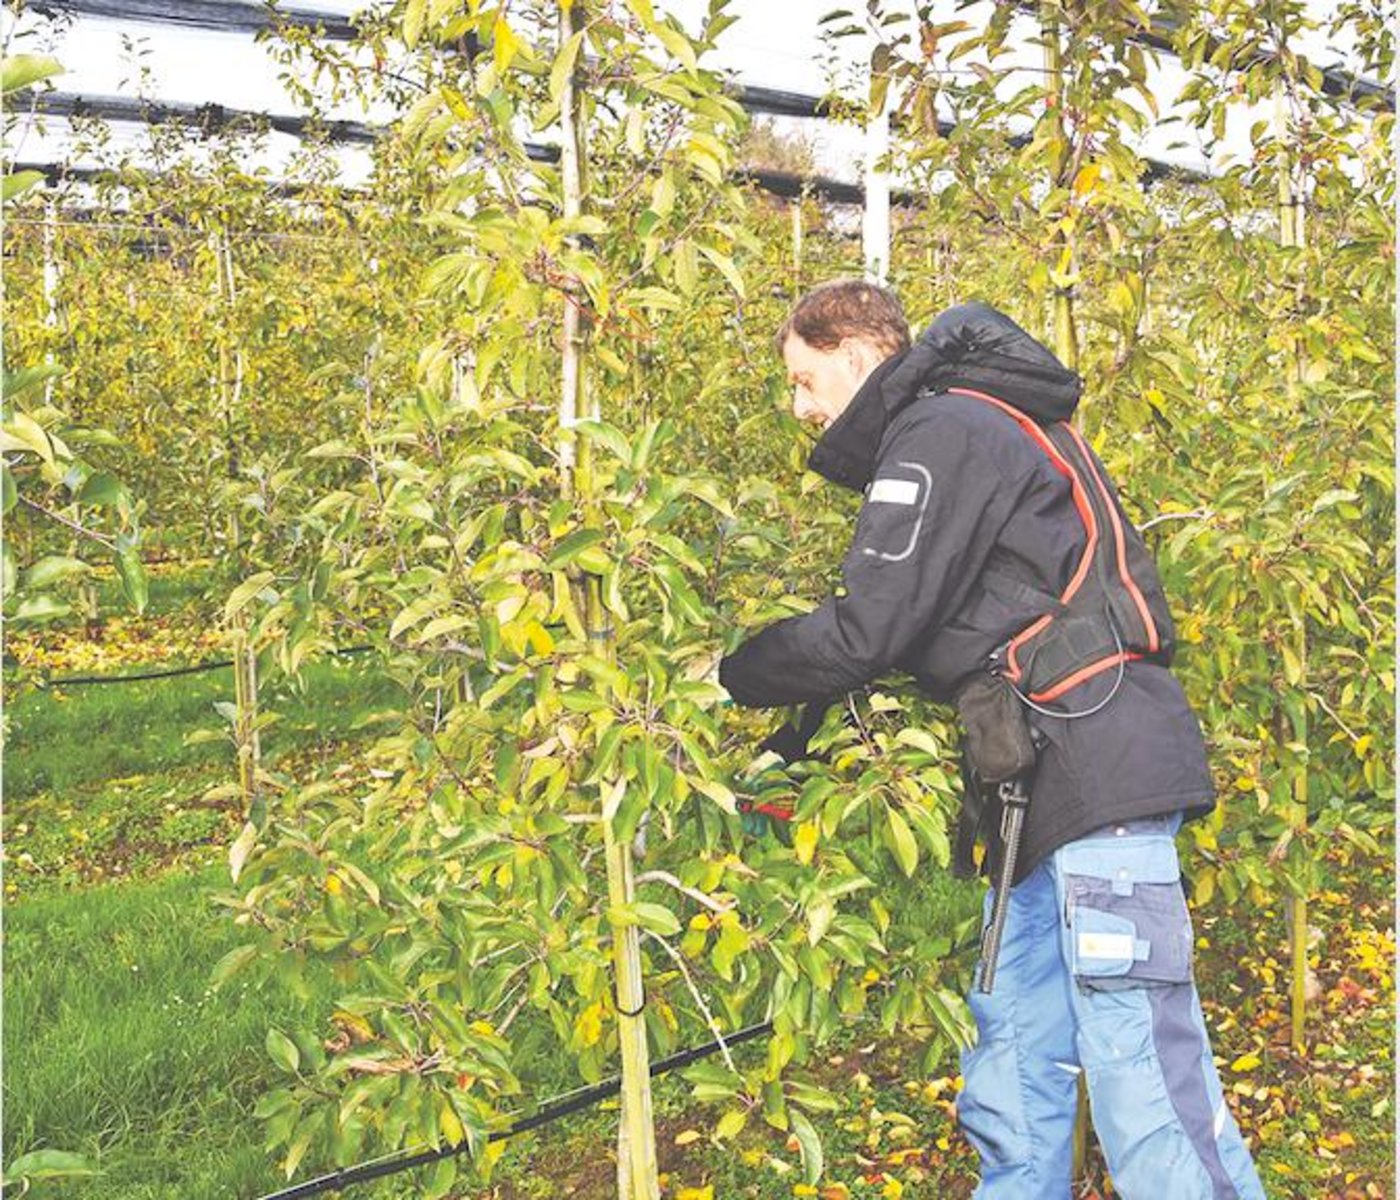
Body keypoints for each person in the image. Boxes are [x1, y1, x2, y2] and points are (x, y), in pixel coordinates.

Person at [717, 280, 1266, 1200]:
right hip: (1033, 787)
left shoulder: (945, 433)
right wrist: (789, 741)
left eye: (805, 381)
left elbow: (871, 628)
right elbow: (917, 621)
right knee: (1011, 1052)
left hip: (1096, 768)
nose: (801, 408)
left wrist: (730, 675)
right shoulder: (973, 427)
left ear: (855, 355)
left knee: (1142, 1073)